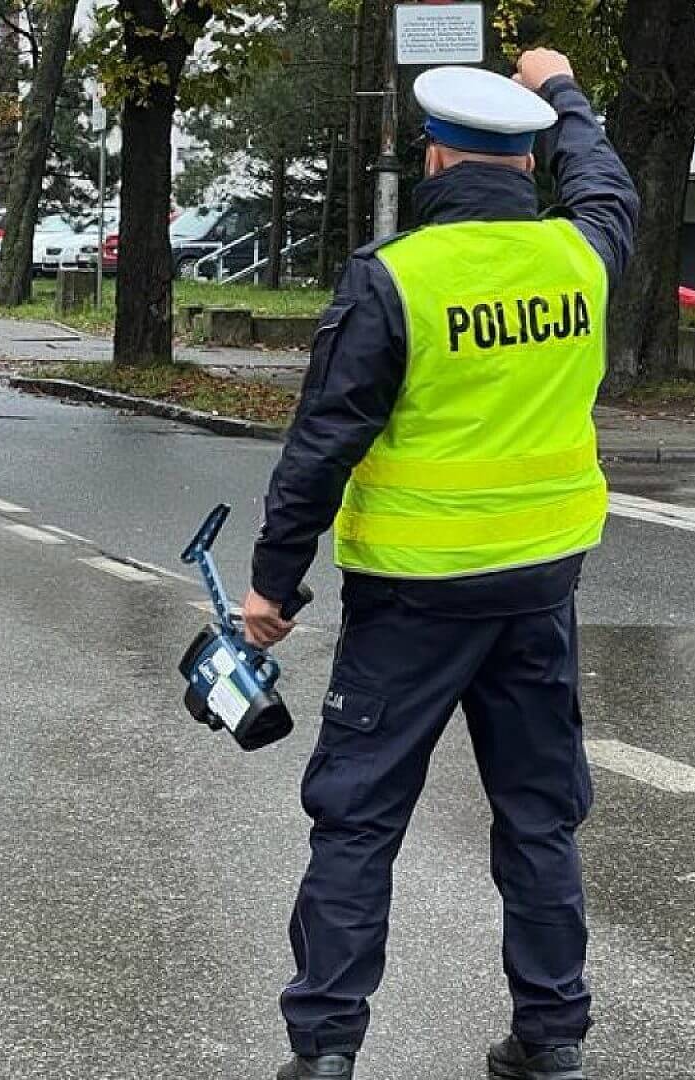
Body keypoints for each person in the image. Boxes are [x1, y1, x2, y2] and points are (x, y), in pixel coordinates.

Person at [241, 49, 638, 1080]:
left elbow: (320, 445)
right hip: (540, 592)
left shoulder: (396, 278)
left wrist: (273, 586)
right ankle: (551, 1042)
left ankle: (325, 1051)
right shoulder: (581, 255)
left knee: (358, 821)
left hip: (412, 604)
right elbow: (605, 181)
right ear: (526, 164)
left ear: (434, 156)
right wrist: (563, 90)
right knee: (540, 818)